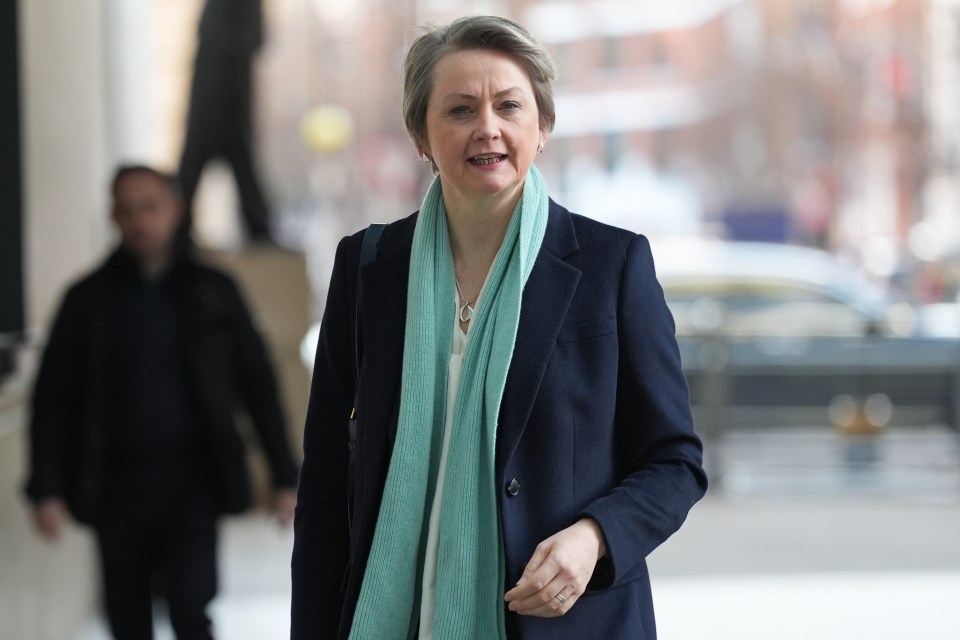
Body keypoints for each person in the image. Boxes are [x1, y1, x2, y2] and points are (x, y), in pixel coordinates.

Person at [291, 15, 707, 640]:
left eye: (509, 106)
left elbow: (675, 461)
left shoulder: (610, 265)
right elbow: (325, 485)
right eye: (459, 110)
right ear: (421, 135)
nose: (487, 127)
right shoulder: (367, 268)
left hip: (565, 621)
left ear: (541, 127)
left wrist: (595, 537)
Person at [25, 165, 299, 640]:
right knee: (127, 620)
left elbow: (257, 385)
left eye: (149, 208)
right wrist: (46, 487)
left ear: (173, 210)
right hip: (115, 488)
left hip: (193, 483)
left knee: (192, 611)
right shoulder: (86, 301)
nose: (140, 222)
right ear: (113, 217)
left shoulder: (213, 293)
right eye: (127, 211)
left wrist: (284, 475)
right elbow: (53, 400)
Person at [178, 0, 272, 244]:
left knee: (237, 158)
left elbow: (252, 37)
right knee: (198, 158)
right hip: (215, 85)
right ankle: (178, 224)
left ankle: (258, 224)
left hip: (229, 86)